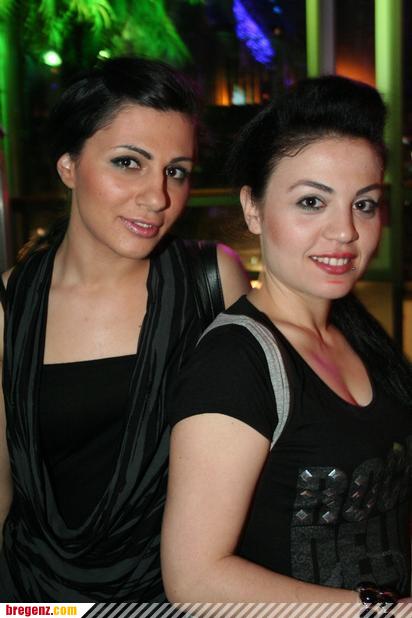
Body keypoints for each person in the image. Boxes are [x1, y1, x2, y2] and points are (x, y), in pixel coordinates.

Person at [0, 56, 249, 601]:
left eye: (176, 171)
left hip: (176, 594)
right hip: (34, 597)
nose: (158, 197)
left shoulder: (213, 281)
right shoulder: (9, 305)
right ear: (68, 165)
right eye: (128, 162)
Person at [162, 75, 412, 605]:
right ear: (252, 208)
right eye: (312, 202)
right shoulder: (235, 362)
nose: (345, 231)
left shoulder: (359, 332)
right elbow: (195, 581)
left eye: (364, 204)